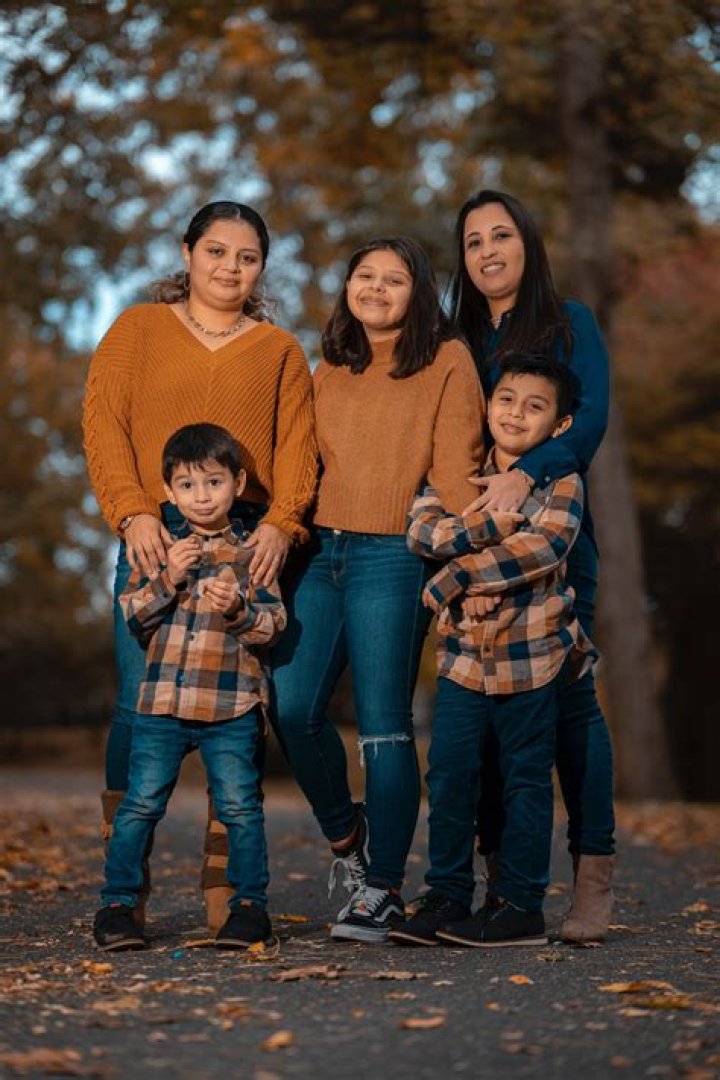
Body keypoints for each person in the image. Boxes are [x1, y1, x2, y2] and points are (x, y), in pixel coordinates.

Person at [83, 201, 317, 931]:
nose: (230, 268)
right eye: (216, 251)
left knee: (234, 713)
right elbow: (104, 422)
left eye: (247, 258)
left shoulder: (278, 349)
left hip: (248, 539)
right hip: (157, 530)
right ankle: (126, 891)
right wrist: (134, 511)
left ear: (261, 269)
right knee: (135, 707)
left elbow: (298, 449)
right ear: (186, 253)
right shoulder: (137, 330)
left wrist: (282, 524)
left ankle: (228, 894)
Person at [271, 236, 485, 943]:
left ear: (419, 293)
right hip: (320, 550)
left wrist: (471, 564)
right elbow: (298, 461)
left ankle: (384, 889)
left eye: (394, 279)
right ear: (347, 288)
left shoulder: (447, 360)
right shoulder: (327, 365)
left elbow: (457, 468)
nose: (376, 289)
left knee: (384, 724)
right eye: (365, 276)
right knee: (294, 707)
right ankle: (347, 836)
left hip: (394, 554)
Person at [447, 189, 615, 943]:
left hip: (557, 542)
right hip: (476, 548)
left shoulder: (569, 322)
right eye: (473, 239)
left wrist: (526, 474)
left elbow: (593, 421)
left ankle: (593, 877)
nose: (487, 250)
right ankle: (504, 888)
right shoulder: (455, 342)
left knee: (572, 711)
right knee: (480, 724)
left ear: (528, 243)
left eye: (501, 234)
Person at [392, 354, 596, 947]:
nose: (516, 414)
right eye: (506, 399)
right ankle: (449, 894)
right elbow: (424, 529)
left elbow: (546, 546)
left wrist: (459, 578)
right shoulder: (460, 470)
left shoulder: (560, 480)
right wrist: (486, 540)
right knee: (452, 774)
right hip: (462, 659)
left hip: (532, 655)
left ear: (558, 426)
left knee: (524, 779)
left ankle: (519, 905)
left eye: (535, 407)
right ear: (488, 404)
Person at [93, 424, 286, 952]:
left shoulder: (252, 556)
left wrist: (239, 609)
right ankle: (117, 905)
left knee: (239, 807)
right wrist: (167, 582)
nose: (201, 497)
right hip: (162, 707)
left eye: (213, 483)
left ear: (238, 483)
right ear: (170, 491)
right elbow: (133, 617)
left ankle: (249, 908)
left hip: (230, 708)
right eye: (186, 485)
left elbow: (274, 625)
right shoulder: (159, 553)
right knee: (140, 805)